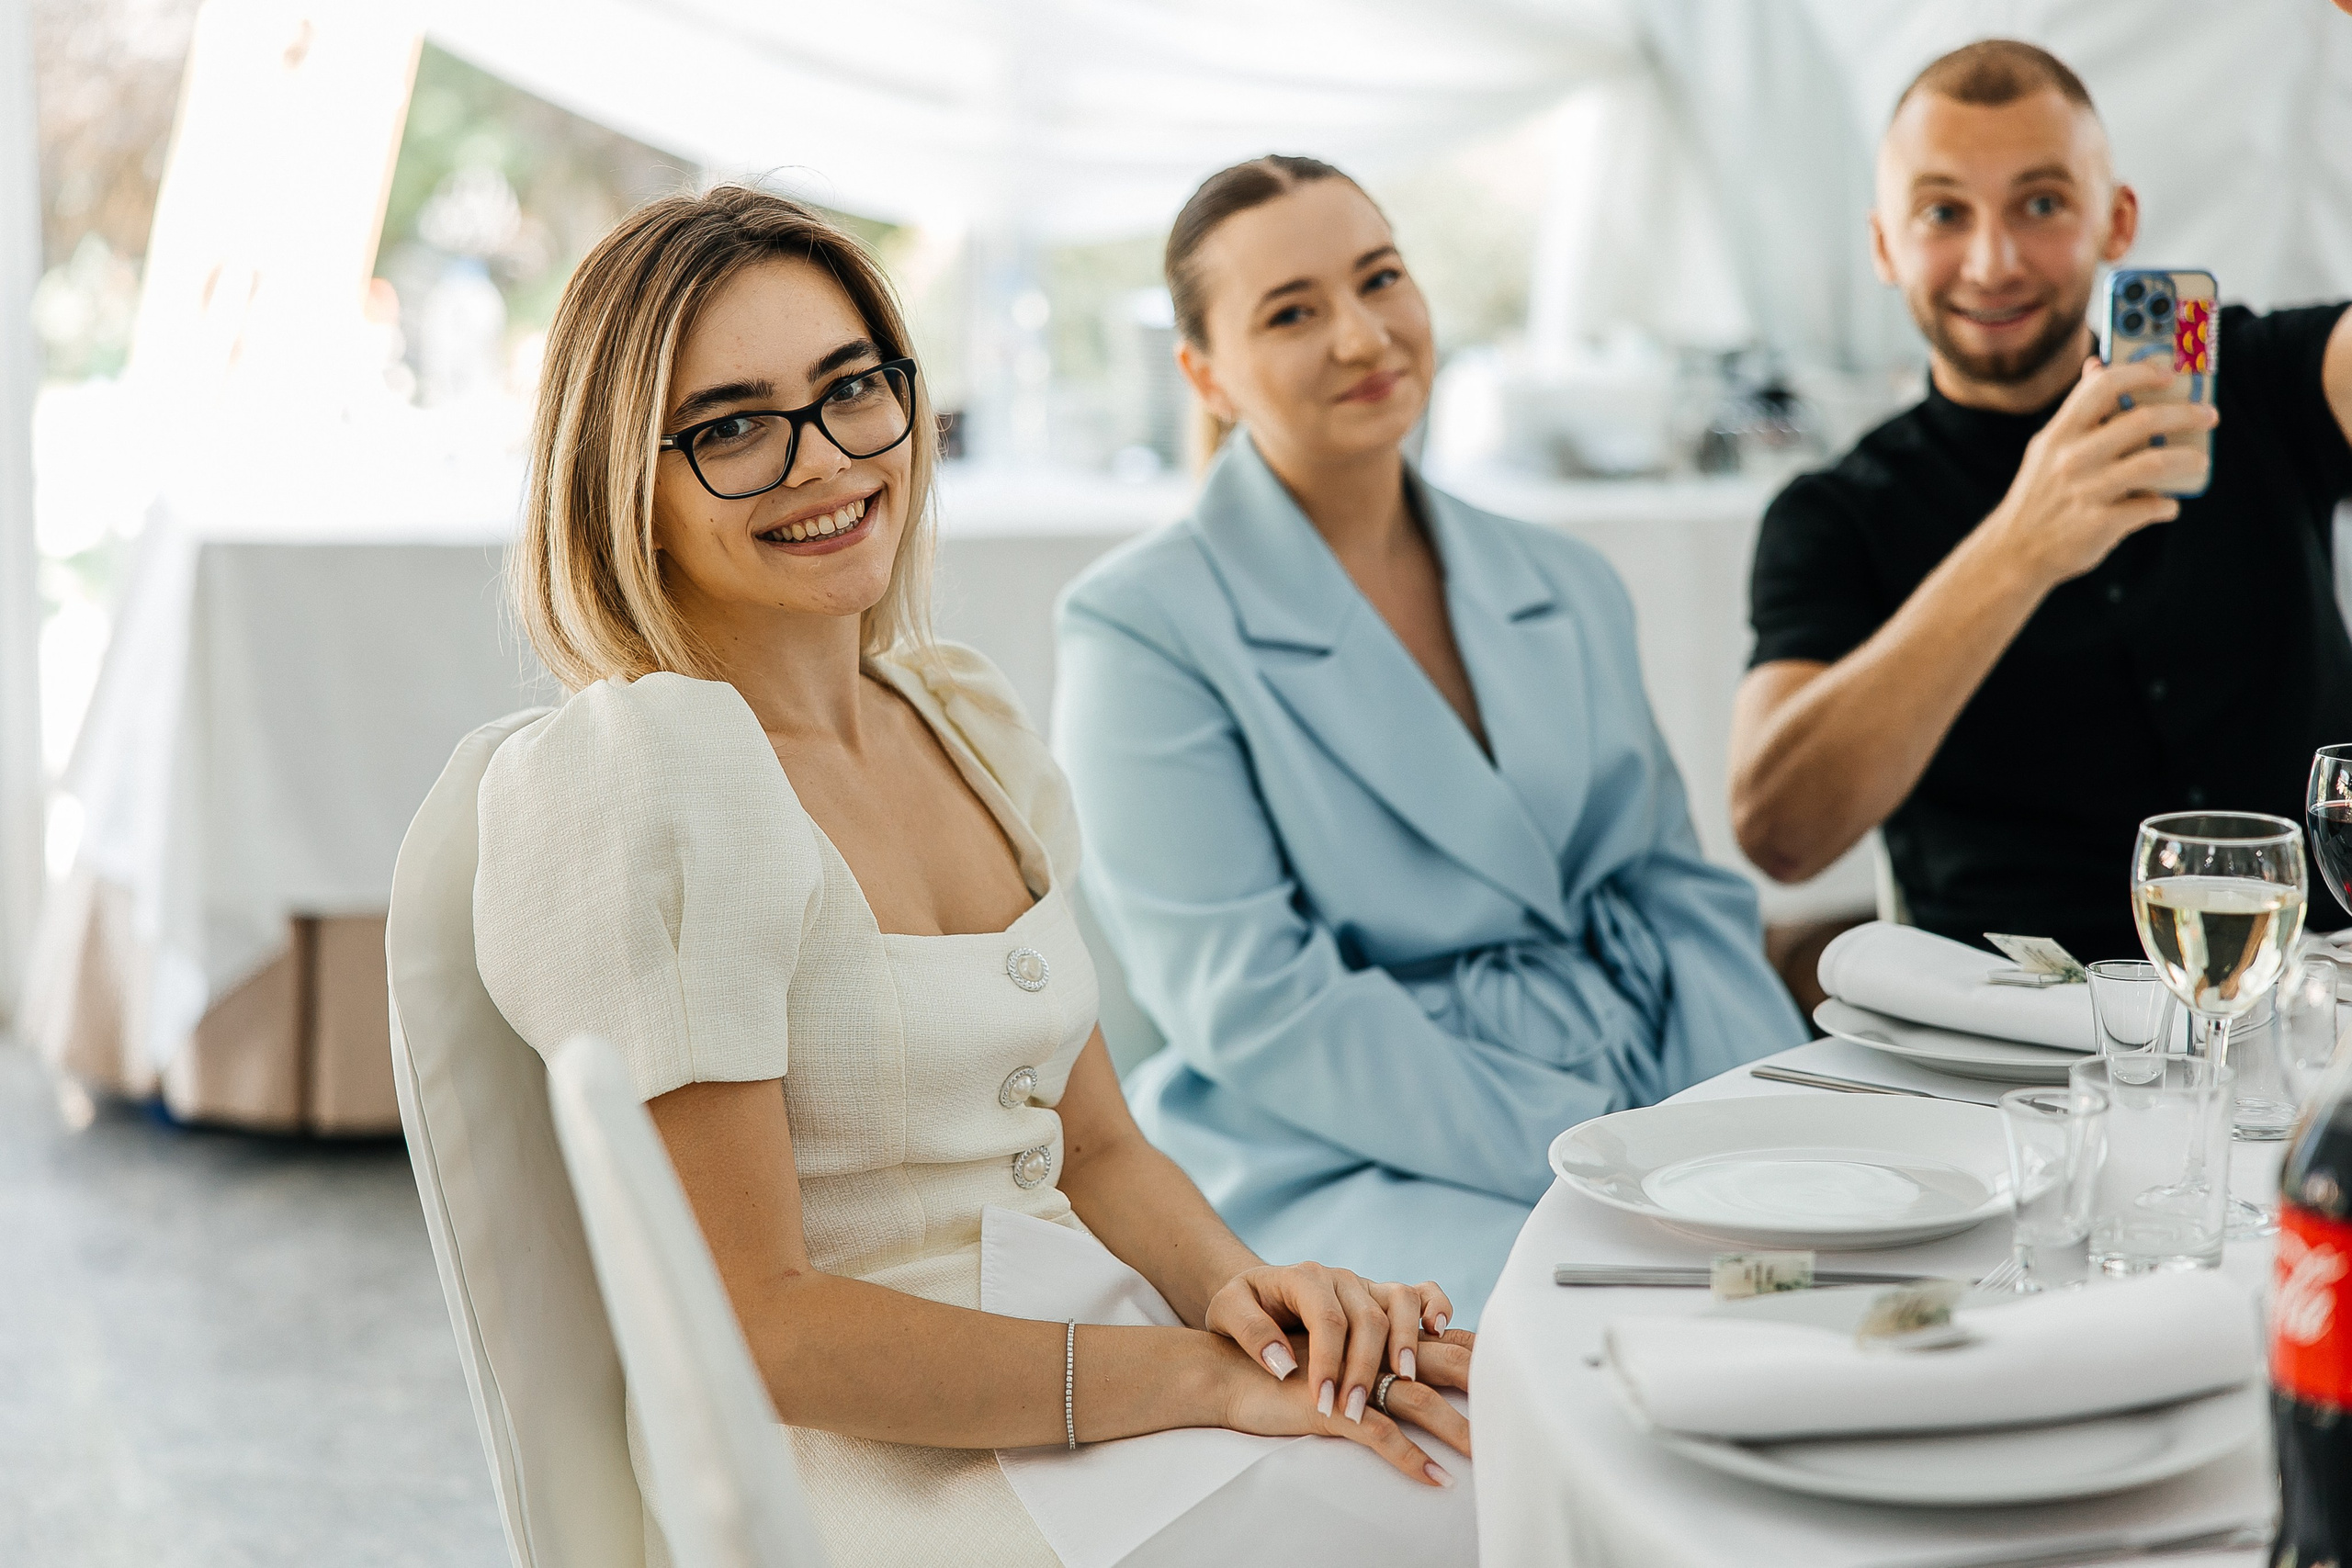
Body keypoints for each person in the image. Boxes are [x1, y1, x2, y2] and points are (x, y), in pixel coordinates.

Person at [468, 186, 1476, 1568]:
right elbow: (760, 1329)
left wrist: (1256, 1305)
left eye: (852, 390)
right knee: (1461, 1518)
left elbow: (1102, 1149)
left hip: (1092, 1357)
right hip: (870, 1462)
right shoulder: (645, 774)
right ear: (620, 482)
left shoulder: (963, 719)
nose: (825, 459)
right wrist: (1195, 1378)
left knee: (1491, 1457)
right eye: (733, 426)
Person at [1053, 155, 1807, 1326]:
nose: (1363, 337)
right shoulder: (1140, 627)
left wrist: (1757, 1120)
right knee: (1646, 1317)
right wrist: (1598, 1153)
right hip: (1350, 1146)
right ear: (1204, 374)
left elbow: (1674, 890)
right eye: (1292, 313)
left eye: (1380, 279)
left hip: (1649, 1086)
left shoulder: (1566, 580)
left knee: (1854, 1264)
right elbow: (1254, 1000)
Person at [1732, 39, 2352, 964]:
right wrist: (2020, 547)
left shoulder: (2256, 383)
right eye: (1943, 212)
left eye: (2042, 203)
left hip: (2304, 996)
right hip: (2007, 1029)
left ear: (2116, 220)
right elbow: (1780, 832)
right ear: (1884, 245)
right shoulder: (1834, 515)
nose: (1993, 263)